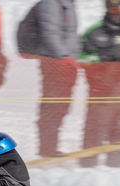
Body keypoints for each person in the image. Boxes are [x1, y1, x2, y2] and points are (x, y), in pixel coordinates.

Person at [79, 0, 120, 167]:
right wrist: (103, 60)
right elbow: (83, 59)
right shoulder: (95, 31)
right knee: (95, 135)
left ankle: (115, 170)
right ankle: (87, 170)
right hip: (102, 97)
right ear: (114, 7)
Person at [34, 0, 79, 157]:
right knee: (52, 106)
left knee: (61, 106)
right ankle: (47, 149)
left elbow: (70, 34)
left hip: (67, 65)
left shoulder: (68, 4)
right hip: (54, 63)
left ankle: (50, 147)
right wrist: (63, 56)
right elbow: (49, 33)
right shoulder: (51, 3)